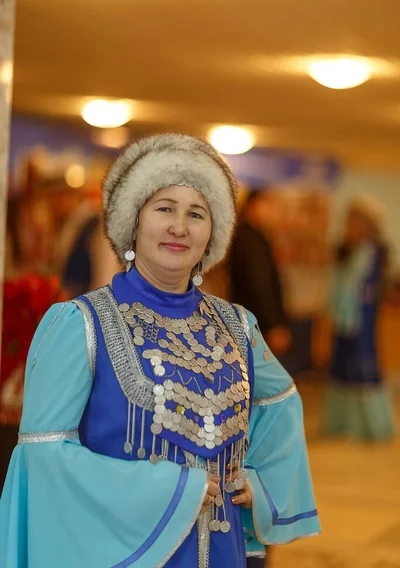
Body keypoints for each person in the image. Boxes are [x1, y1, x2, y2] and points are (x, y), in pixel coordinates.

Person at [0, 134, 320, 567]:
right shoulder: (81, 324)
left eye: (197, 214)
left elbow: (280, 402)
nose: (179, 227)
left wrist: (258, 481)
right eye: (164, 209)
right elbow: (43, 458)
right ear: (133, 221)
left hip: (221, 549)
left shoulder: (237, 324)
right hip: (122, 551)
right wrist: (166, 489)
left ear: (213, 234)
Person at [322, 196, 396, 440]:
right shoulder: (352, 250)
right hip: (346, 319)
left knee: (363, 368)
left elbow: (363, 290)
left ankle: (371, 426)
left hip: (360, 320)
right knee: (343, 368)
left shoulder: (372, 251)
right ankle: (344, 424)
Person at [230, 190, 292, 359]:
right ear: (254, 206)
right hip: (255, 323)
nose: (273, 213)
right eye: (269, 206)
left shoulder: (252, 237)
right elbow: (260, 284)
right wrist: (273, 324)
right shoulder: (250, 240)